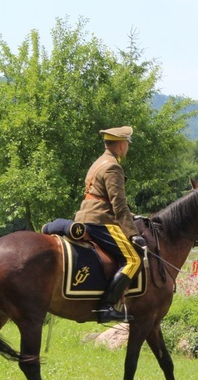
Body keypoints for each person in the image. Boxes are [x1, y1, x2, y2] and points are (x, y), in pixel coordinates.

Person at [74, 125, 146, 323]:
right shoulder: (113, 166)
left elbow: (100, 197)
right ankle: (107, 306)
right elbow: (119, 206)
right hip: (100, 220)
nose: (128, 148)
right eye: (128, 145)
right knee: (134, 260)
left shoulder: (98, 162)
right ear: (122, 145)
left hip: (85, 217)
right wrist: (133, 234)